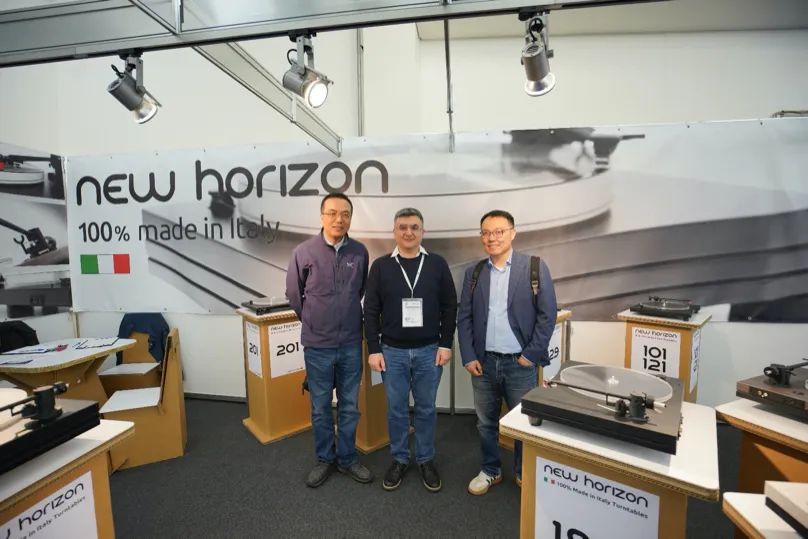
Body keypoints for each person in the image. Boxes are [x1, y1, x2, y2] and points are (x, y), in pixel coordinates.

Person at [457, 209, 557, 495]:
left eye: (499, 231)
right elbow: (464, 317)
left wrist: (531, 355)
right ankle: (491, 470)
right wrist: (469, 355)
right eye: (486, 233)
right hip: (484, 363)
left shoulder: (534, 267)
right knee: (485, 423)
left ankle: (524, 471)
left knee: (524, 423)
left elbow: (547, 315)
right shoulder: (474, 273)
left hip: (520, 364)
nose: (492, 238)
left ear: (513, 233)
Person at [364, 208, 457, 492]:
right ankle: (400, 458)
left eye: (414, 227)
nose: (408, 232)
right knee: (396, 410)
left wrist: (445, 343)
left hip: (430, 351)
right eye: (402, 227)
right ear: (394, 232)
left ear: (423, 232)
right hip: (392, 352)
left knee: (427, 408)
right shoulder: (381, 266)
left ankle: (426, 459)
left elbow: (449, 306)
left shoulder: (437, 264)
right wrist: (374, 348)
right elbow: (371, 310)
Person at [286, 193, 373, 488]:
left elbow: (360, 291)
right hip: (318, 346)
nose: (339, 219)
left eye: (345, 214)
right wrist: (314, 319)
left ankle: (347, 459)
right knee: (321, 407)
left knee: (349, 406)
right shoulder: (303, 252)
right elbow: (294, 295)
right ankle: (325, 459)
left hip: (350, 343)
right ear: (322, 216)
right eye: (333, 213)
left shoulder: (360, 252)